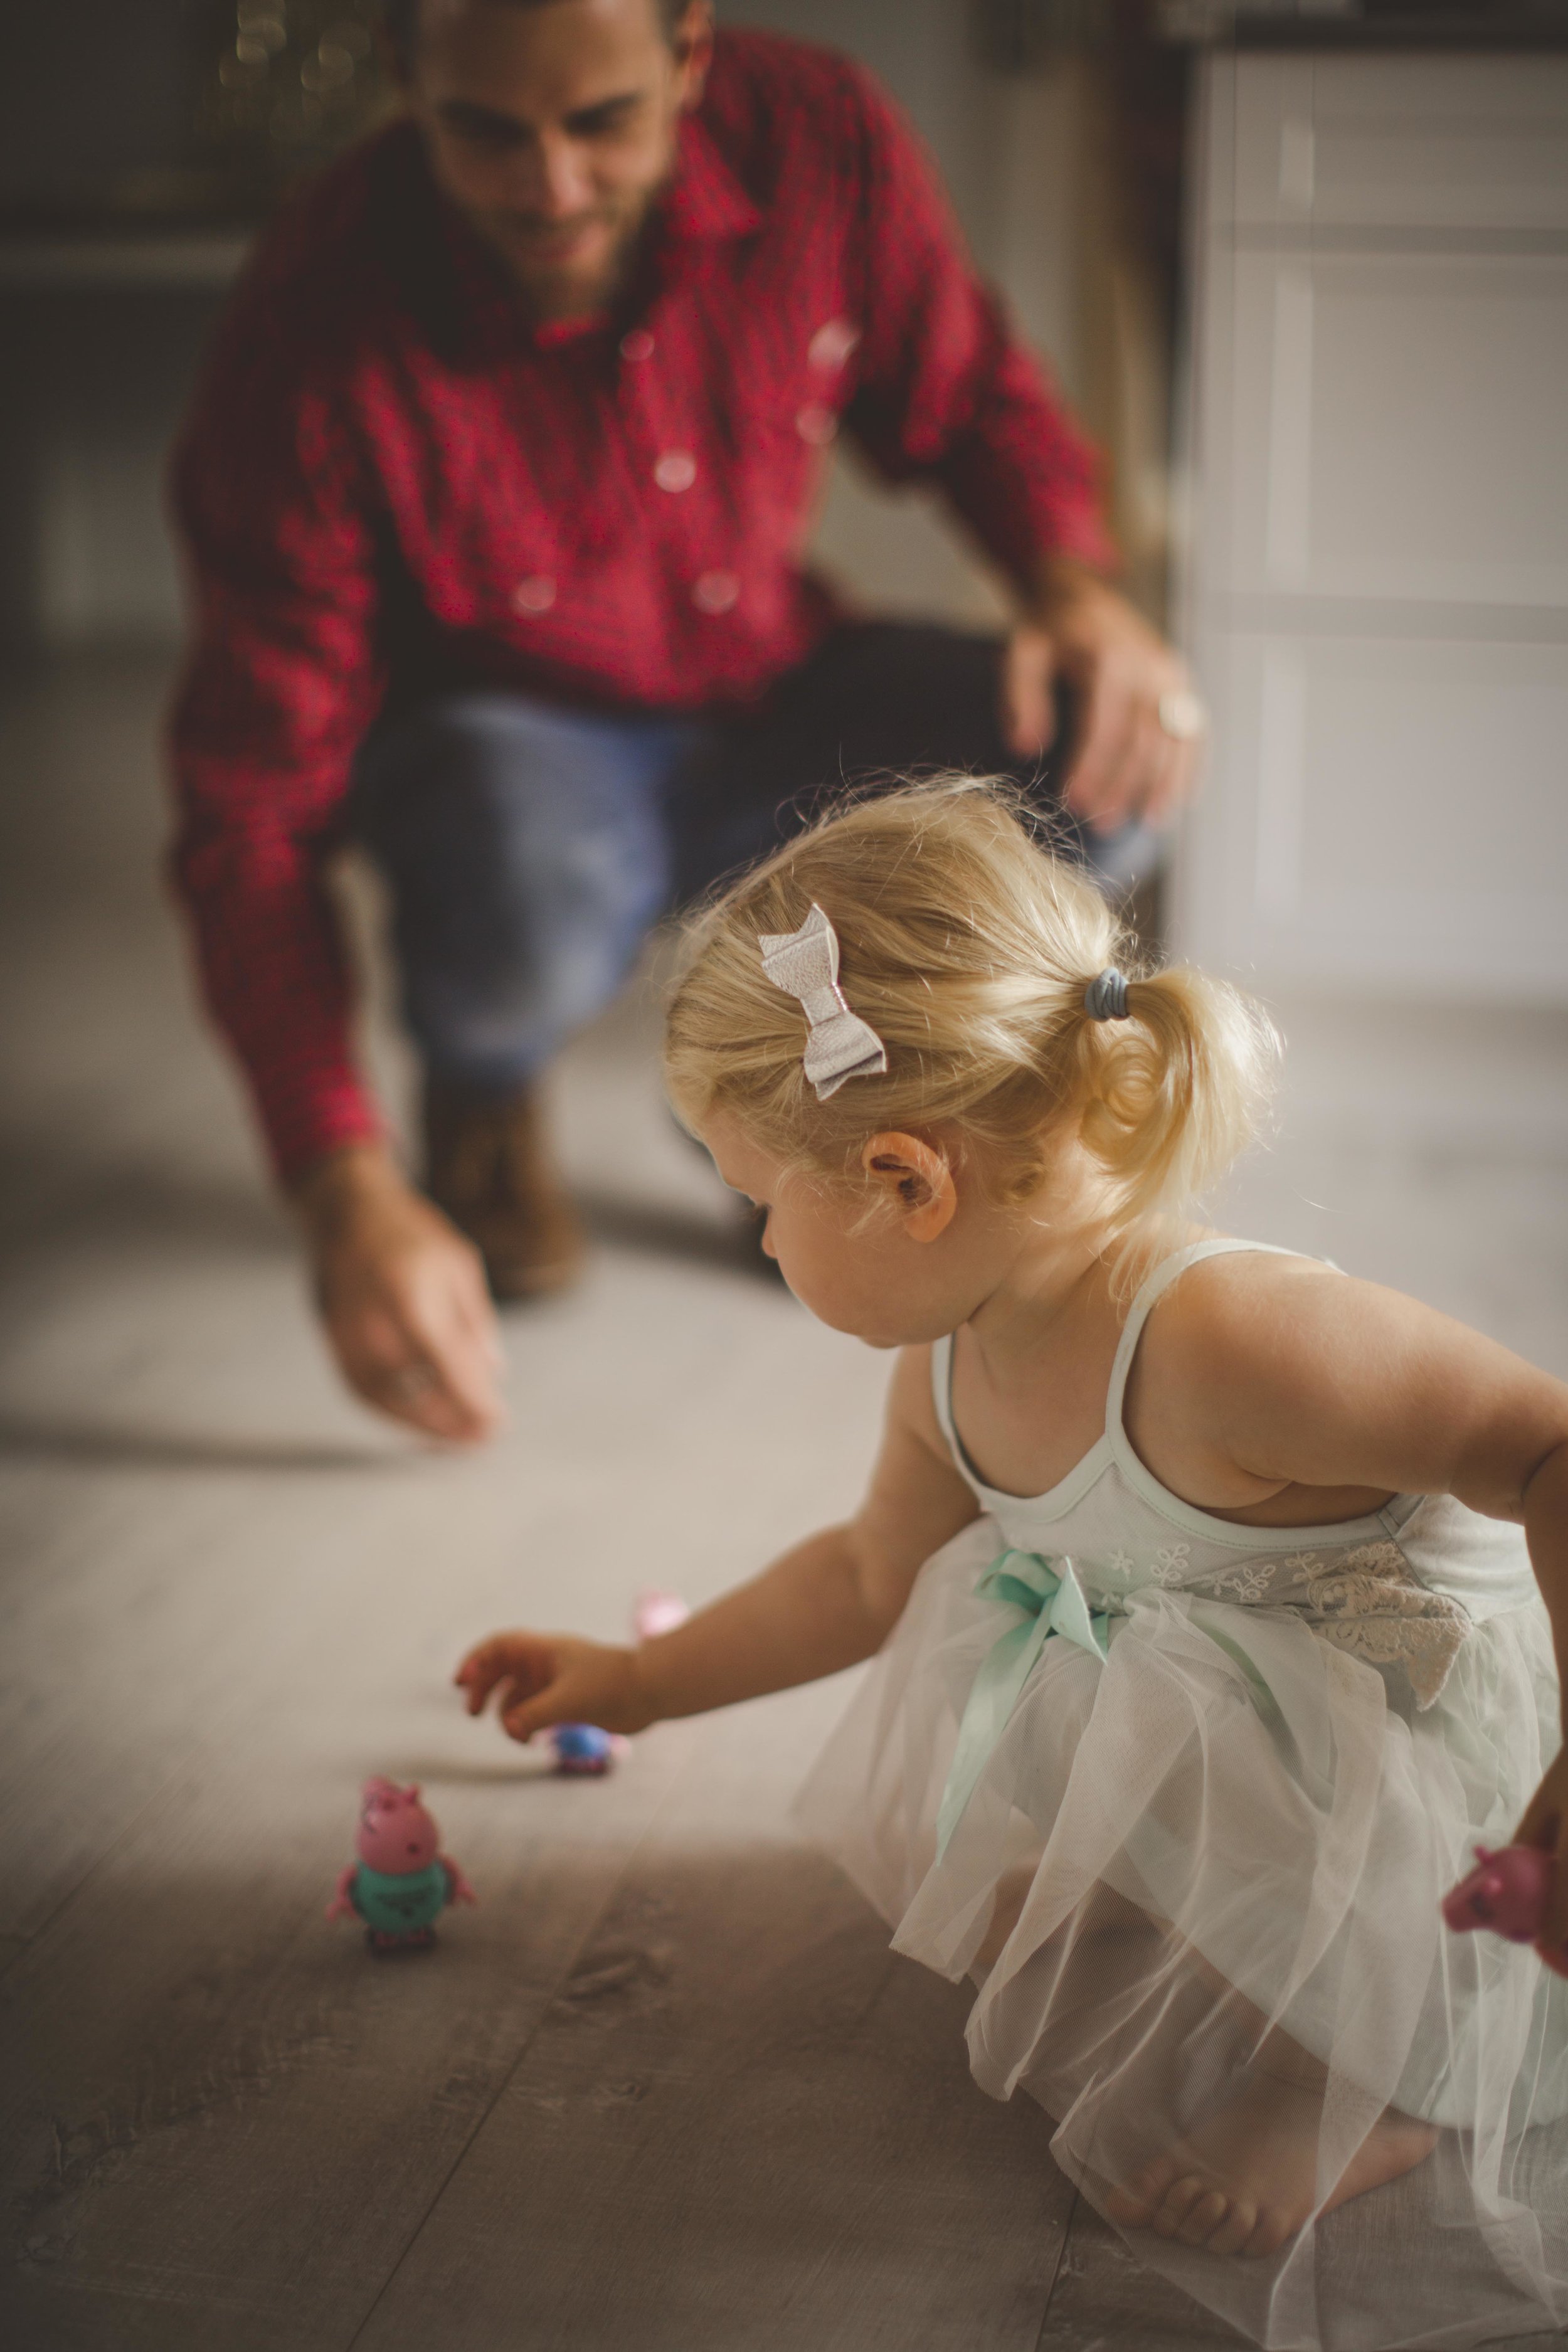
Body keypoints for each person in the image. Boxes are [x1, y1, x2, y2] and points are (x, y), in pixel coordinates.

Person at [455, 778, 1568, 2351]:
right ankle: (1195, 1909)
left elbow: (1548, 1452)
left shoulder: (1232, 1337)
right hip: (1218, 1682)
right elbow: (859, 1577)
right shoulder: (949, 1361)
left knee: (1254, 1797)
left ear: (908, 1180)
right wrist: (641, 1679)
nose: (762, 1245)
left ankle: (1356, 2081)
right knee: (1071, 1709)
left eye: (761, 1204)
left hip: (1406, 1748)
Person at [167, 0, 1204, 1449]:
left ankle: (798, 1106)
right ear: (404, 79)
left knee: (1103, 767)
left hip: (772, 682)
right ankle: (482, 1085)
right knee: (516, 864)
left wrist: (1076, 587)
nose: (551, 187)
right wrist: (340, 1181)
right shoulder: (310, 324)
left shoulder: (819, 142)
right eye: (484, 131)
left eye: (601, 122)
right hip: (512, 762)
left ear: (690, 54)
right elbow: (248, 813)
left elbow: (965, 397)